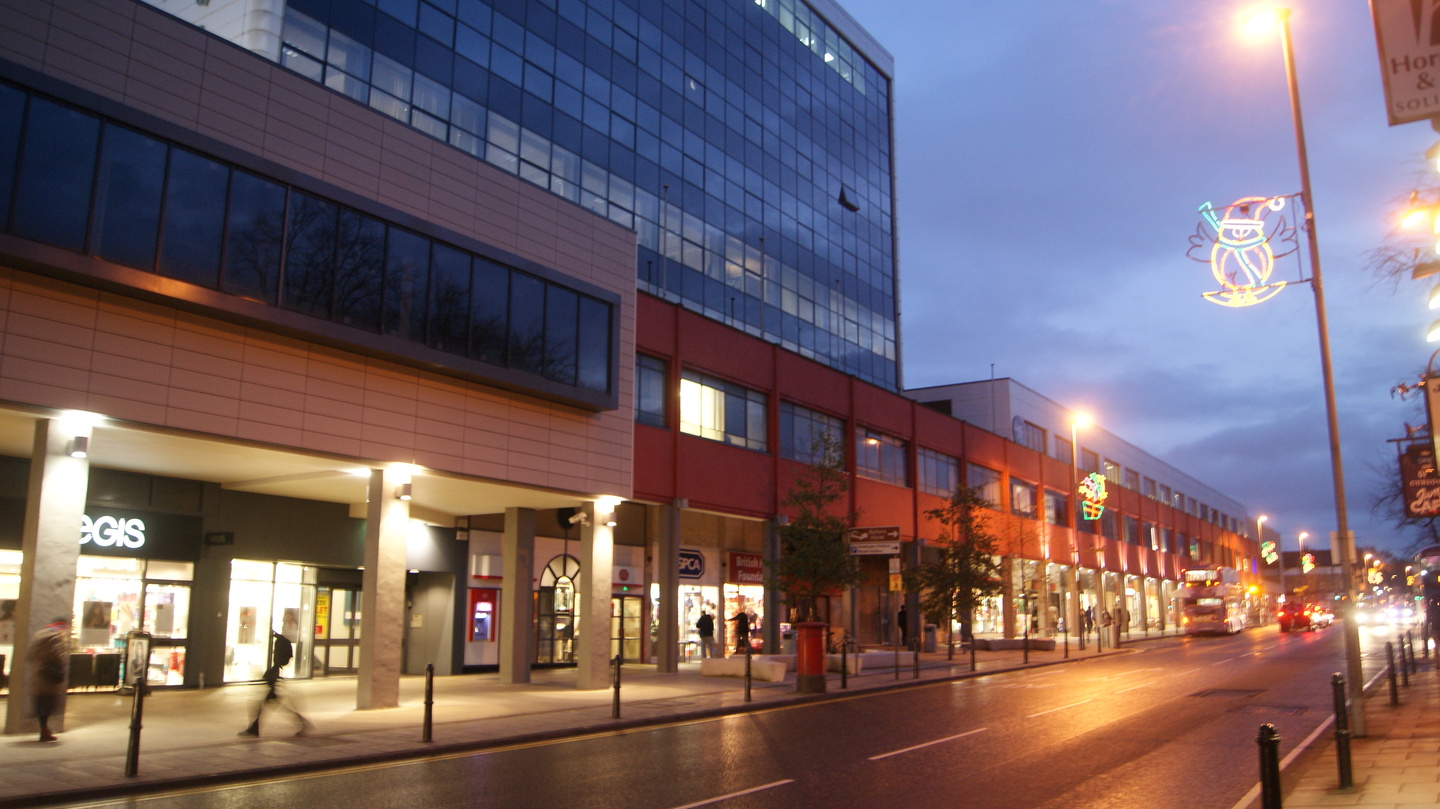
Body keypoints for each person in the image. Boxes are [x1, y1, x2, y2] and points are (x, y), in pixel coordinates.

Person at [239, 631, 313, 738]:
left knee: (265, 706)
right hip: (275, 684)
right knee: (267, 706)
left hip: (274, 685)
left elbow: (276, 666)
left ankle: (303, 723)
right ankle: (254, 728)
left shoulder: (279, 645)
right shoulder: (281, 643)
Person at [27, 616, 70, 743]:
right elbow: (57, 656)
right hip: (49, 676)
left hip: (38, 674)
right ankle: (44, 731)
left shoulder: (39, 635)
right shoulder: (55, 638)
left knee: (41, 703)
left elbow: (30, 656)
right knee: (48, 703)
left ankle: (44, 729)